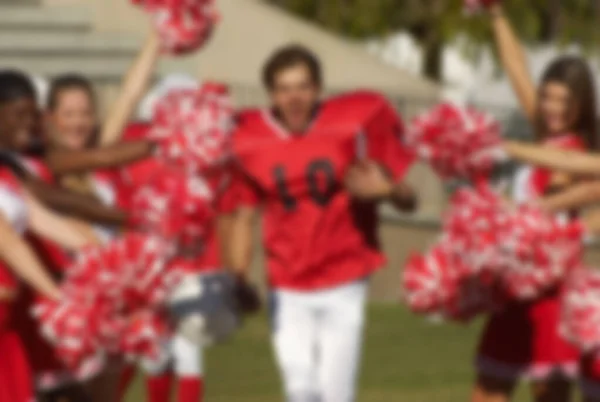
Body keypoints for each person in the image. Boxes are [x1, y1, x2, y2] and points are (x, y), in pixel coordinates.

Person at [225, 44, 417, 402]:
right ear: (271, 94)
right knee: (300, 391)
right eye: (284, 89)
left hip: (343, 278)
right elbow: (244, 214)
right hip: (288, 283)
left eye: (302, 87)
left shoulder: (352, 121)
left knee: (335, 395)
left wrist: (388, 190)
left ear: (318, 89)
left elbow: (411, 200)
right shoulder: (248, 136)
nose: (294, 97)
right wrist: (239, 275)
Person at [470, 4, 598, 402]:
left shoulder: (582, 152)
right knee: (488, 391)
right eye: (548, 98)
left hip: (554, 290)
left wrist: (529, 209)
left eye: (565, 101)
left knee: (548, 394)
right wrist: (496, 14)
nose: (553, 109)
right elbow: (516, 70)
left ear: (582, 104)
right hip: (515, 286)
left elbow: (587, 191)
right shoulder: (545, 135)